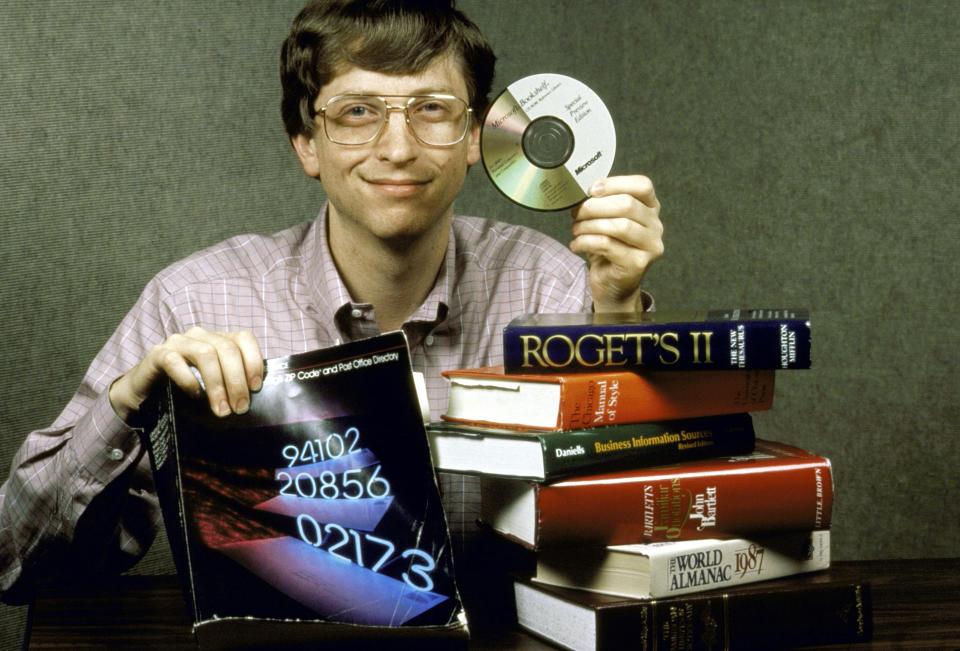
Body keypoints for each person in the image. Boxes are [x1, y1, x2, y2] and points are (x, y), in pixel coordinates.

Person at [0, 0, 662, 607]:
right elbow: (16, 563)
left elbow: (641, 542)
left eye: (432, 108)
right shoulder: (194, 299)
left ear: (473, 139)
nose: (397, 148)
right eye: (357, 111)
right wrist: (126, 406)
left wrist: (617, 314)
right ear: (306, 142)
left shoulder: (551, 285)